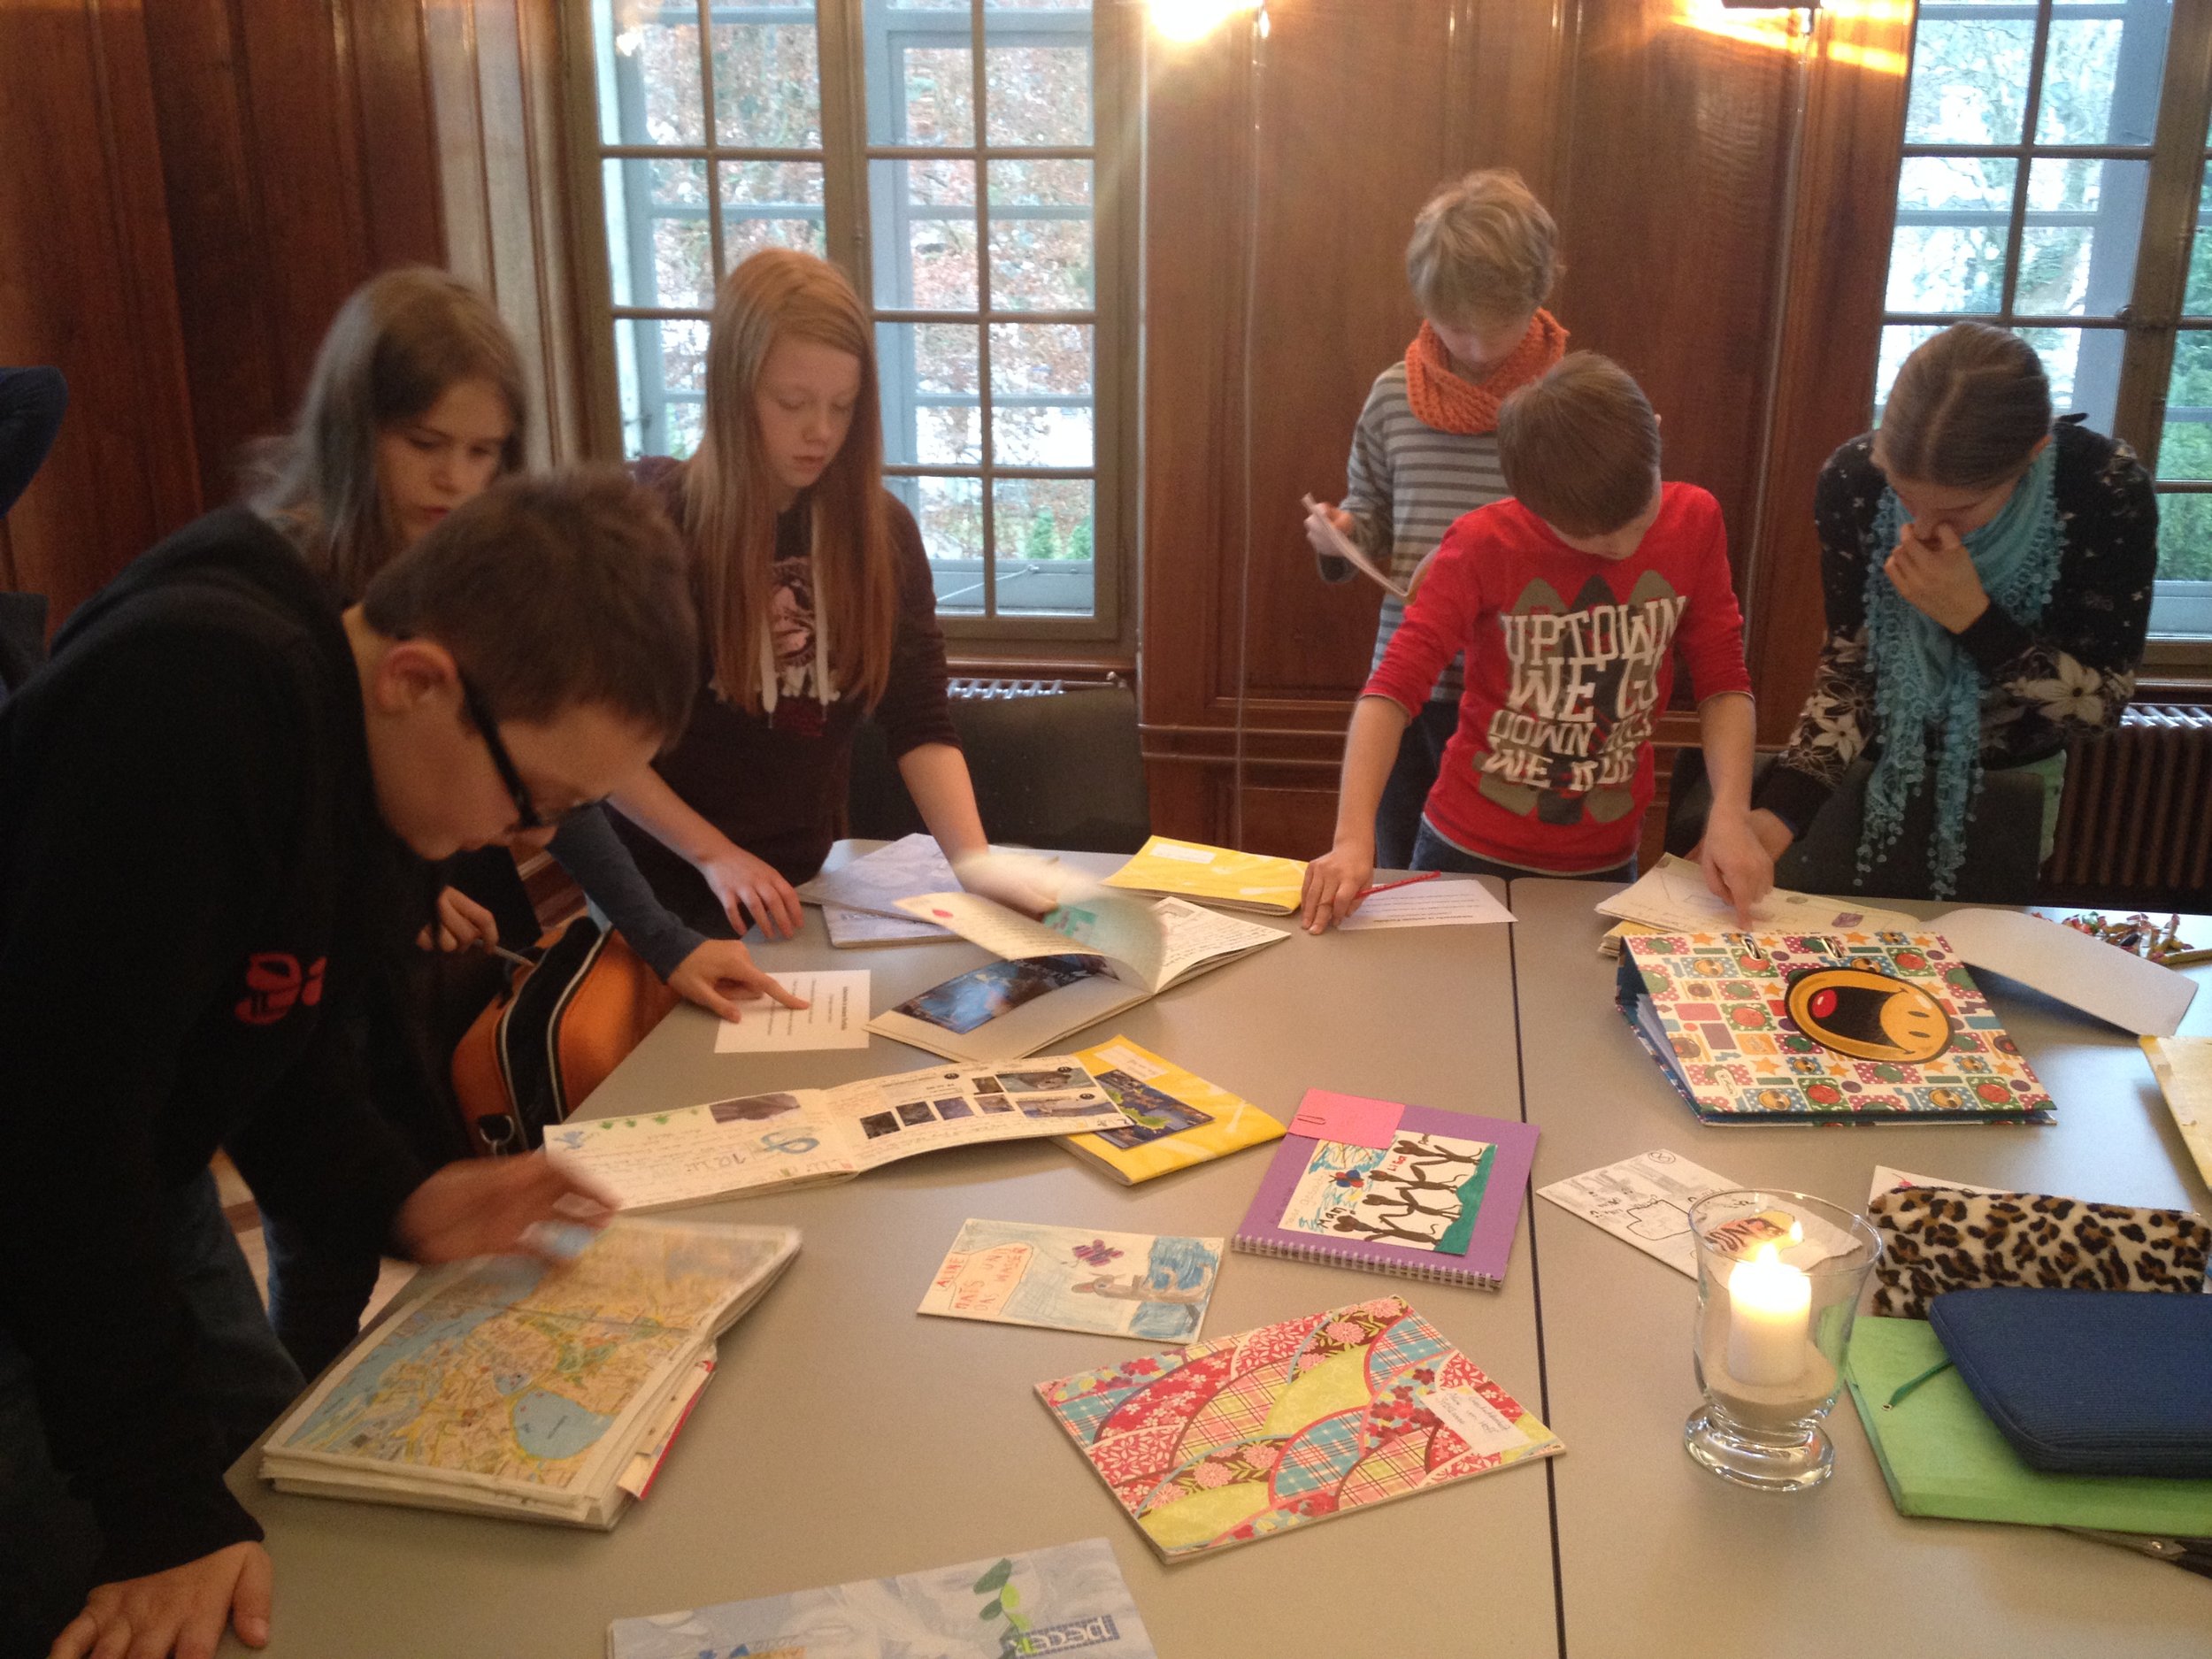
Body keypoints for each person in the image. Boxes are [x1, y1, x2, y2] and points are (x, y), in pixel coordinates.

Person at [0, 469, 693, 1659]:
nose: (528, 839)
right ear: (417, 680)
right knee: (89, 1584)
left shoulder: (376, 744)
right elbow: (59, 1141)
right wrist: (157, 1509)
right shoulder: (187, 706)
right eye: (536, 802)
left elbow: (278, 1029)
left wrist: (399, 1194)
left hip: (127, 1178)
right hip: (39, 1183)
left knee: (297, 1513)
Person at [246, 267, 801, 1378]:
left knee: (334, 1205)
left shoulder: (459, 615)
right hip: (129, 1132)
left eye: (485, 452)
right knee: (272, 1292)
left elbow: (552, 791)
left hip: (288, 1031)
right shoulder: (258, 660)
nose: (455, 479)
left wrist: (403, 1199)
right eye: (425, 444)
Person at [608, 249, 1041, 934]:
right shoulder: (654, 525)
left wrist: (976, 863)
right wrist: (715, 855)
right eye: (793, 403)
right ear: (733, 391)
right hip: (658, 895)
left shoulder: (881, 533)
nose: (821, 432)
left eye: (842, 406)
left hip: (801, 885)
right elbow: (598, 743)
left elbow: (920, 721)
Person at [1300, 353, 1771, 932]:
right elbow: (1391, 691)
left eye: (1638, 516)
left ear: (1655, 434)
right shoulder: (1481, 543)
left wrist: (1731, 812)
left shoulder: (1696, 520)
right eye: (1586, 535)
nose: (1620, 545)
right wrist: (1352, 839)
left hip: (1607, 857)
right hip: (1465, 850)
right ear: (1524, 496)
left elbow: (1724, 681)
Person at [1749, 323, 2157, 899]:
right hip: (1865, 777)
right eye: (1905, 495)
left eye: (1960, 509)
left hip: (2010, 788)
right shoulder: (1854, 478)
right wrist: (1780, 812)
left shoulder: (2103, 488)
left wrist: (1974, 619)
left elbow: (2099, 710)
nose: (1921, 529)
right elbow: (1852, 670)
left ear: (2033, 452)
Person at [1304, 169, 1571, 871]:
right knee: (1399, 876)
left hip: (1526, 692)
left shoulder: (1570, 402)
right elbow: (1373, 521)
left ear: (1537, 295)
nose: (1475, 349)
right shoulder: (1393, 396)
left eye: (1496, 329)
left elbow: (1603, 541)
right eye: (1456, 328)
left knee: (1511, 884)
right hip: (1410, 688)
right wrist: (1341, 536)